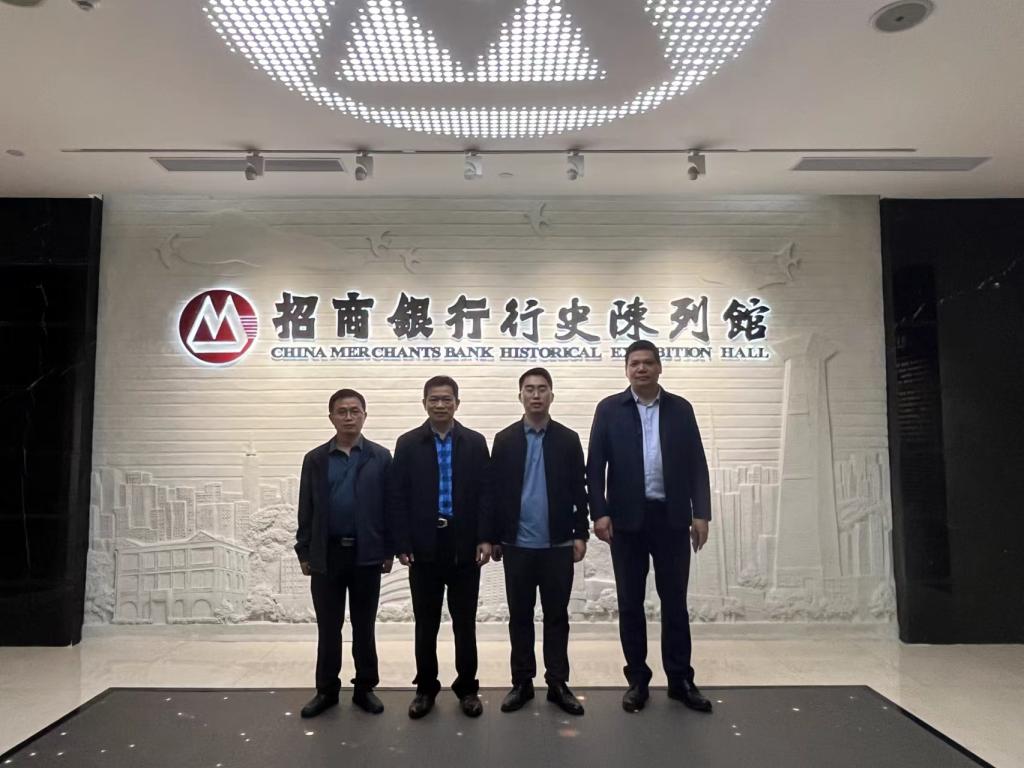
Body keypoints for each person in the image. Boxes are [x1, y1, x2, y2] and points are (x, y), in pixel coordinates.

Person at [586, 340, 713, 714]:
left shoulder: (680, 409)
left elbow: (696, 463)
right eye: (634, 363)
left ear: (659, 367)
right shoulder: (609, 409)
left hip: (671, 518)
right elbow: (594, 466)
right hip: (626, 522)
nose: (641, 369)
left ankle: (680, 679)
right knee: (630, 603)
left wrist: (701, 513)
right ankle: (637, 680)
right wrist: (599, 513)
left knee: (675, 602)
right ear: (626, 369)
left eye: (647, 363)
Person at [389, 375, 492, 719]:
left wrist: (485, 537)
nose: (440, 404)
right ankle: (425, 688)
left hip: (464, 545)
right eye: (434, 399)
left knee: (465, 623)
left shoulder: (474, 442)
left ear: (457, 404)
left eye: (447, 399)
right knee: (426, 623)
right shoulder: (408, 444)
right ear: (424, 403)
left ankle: (467, 688)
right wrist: (402, 543)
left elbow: (485, 494)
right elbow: (397, 496)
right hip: (424, 546)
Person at [489, 367, 590, 716]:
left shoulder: (567, 439)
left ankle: (558, 683)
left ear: (551, 395)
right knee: (520, 616)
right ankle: (522, 682)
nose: (536, 395)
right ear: (520, 396)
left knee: (556, 616)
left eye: (542, 389)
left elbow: (580, 490)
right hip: (517, 545)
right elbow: (495, 492)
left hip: (557, 546)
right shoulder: (505, 440)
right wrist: (495, 537)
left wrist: (580, 533)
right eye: (529, 389)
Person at [295, 388, 394, 718]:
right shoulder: (316, 459)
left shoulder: (381, 457)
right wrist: (304, 551)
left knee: (364, 627)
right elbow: (306, 507)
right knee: (329, 627)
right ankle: (326, 690)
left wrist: (388, 549)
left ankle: (365, 688)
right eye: (342, 411)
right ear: (331, 417)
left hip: (367, 554)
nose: (349, 417)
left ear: (365, 415)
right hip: (327, 555)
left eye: (355, 411)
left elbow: (389, 507)